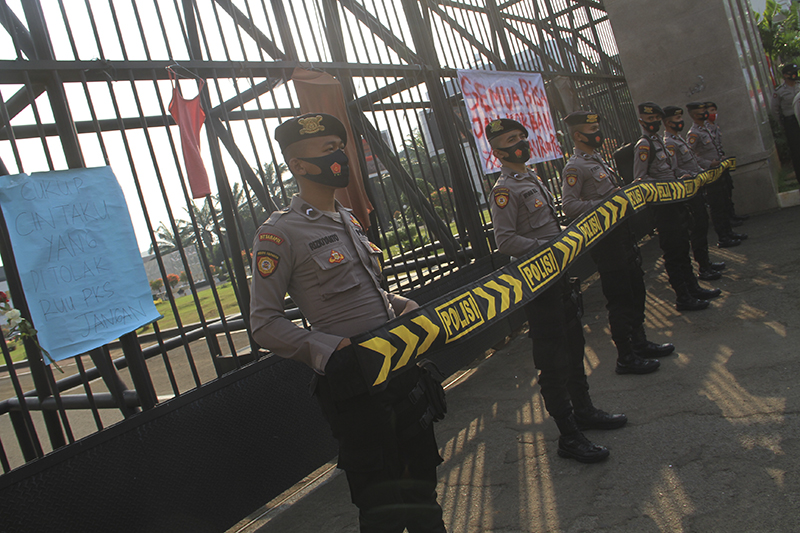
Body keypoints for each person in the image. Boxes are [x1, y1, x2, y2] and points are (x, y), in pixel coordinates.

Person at [250, 113, 447, 532]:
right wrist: (328, 349)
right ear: (298, 164)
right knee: (382, 511)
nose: (339, 155)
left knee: (425, 497)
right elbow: (263, 323)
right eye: (326, 149)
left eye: (340, 146)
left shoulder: (348, 219)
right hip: (358, 389)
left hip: (401, 374)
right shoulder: (280, 233)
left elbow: (366, 290)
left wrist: (399, 304)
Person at [487, 117, 627, 464]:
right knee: (552, 360)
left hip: (559, 277)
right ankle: (569, 435)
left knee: (574, 346)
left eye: (522, 136)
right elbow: (504, 241)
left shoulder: (531, 178)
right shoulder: (505, 190)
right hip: (539, 285)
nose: (521, 142)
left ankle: (584, 410)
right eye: (511, 139)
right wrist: (548, 249)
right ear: (497, 150)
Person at [560, 111, 669, 373]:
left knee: (635, 290)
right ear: (577, 135)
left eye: (597, 126)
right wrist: (606, 204)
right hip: (606, 242)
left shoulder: (598, 160)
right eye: (591, 128)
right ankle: (626, 356)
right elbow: (569, 205)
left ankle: (640, 341)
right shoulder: (575, 166)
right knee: (620, 297)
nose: (597, 132)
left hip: (622, 234)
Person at [633, 102, 720, 311]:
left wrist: (682, 175)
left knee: (682, 249)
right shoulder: (644, 145)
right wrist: (664, 187)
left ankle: (692, 288)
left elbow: (672, 170)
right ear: (641, 121)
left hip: (677, 204)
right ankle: (683, 297)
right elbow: (639, 179)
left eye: (656, 119)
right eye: (650, 119)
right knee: (673, 253)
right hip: (663, 209)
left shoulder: (659, 143)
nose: (653, 122)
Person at [661, 106, 725, 281]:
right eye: (677, 118)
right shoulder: (669, 143)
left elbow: (694, 160)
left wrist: (702, 169)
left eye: (681, 117)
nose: (680, 121)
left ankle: (706, 262)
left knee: (703, 225)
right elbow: (674, 169)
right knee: (697, 228)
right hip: (688, 191)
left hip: (697, 185)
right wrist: (688, 176)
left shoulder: (679, 139)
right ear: (667, 122)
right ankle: (703, 267)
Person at [686, 102, 746, 247]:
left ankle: (729, 232)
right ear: (695, 115)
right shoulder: (694, 134)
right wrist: (708, 164)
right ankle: (723, 237)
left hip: (719, 171)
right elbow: (690, 155)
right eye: (701, 111)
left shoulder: (706, 128)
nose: (705, 113)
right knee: (717, 206)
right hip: (710, 175)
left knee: (724, 202)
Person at [704, 101, 747, 226]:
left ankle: (732, 214)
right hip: (714, 166)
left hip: (721, 162)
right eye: (710, 111)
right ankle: (727, 220)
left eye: (714, 110)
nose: (713, 113)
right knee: (720, 195)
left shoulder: (715, 126)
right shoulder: (705, 129)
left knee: (727, 188)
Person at [771, 63, 800, 179]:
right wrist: (782, 125)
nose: (795, 75)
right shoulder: (779, 91)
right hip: (791, 122)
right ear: (785, 75)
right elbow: (775, 111)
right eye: (792, 73)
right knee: (797, 150)